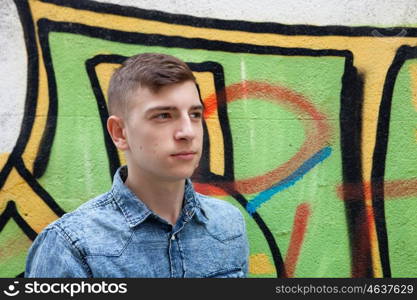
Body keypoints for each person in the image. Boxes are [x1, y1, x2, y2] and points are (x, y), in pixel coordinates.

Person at [25, 53, 249, 278]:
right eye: (163, 115)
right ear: (120, 133)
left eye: (195, 114)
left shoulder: (229, 225)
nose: (188, 132)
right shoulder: (71, 246)